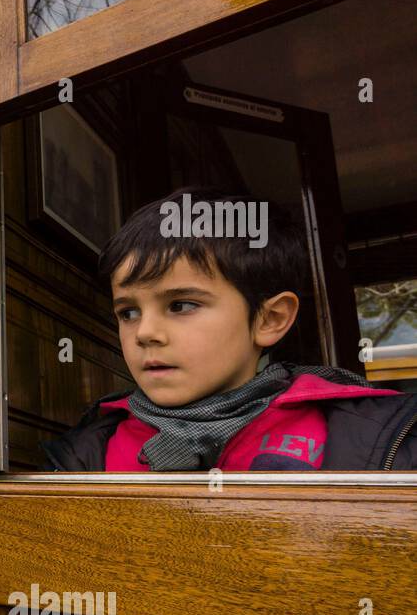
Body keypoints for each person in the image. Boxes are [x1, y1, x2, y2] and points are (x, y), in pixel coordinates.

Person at [43, 187, 417, 472]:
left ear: (270, 319)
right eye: (128, 312)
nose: (145, 332)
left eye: (181, 305)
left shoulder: (373, 438)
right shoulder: (90, 448)